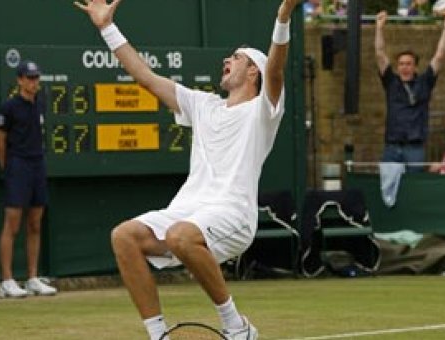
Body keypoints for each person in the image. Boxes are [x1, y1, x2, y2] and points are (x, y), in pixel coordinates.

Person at [74, 0, 299, 339]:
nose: (226, 60)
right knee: (124, 237)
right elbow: (145, 77)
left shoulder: (262, 112)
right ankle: (158, 334)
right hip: (188, 210)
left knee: (181, 234)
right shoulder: (202, 104)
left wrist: (283, 16)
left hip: (233, 214)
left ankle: (236, 326)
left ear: (254, 72)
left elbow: (277, 71)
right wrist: (107, 27)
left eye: (236, 57)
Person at [0, 61, 57, 298]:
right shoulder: (9, 107)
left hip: (37, 164)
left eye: (36, 78)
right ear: (20, 80)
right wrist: (8, 168)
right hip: (17, 165)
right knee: (12, 224)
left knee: (35, 224)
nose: (34, 82)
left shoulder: (40, 104)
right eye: (29, 78)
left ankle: (32, 278)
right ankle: (7, 281)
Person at [375, 10, 445, 172]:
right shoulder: (391, 82)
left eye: (409, 63)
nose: (405, 67)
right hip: (392, 145)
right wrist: (379, 28)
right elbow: (380, 54)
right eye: (402, 64)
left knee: (413, 185)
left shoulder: (424, 82)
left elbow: (439, 56)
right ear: (398, 67)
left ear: (415, 66)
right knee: (388, 188)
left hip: (415, 147)